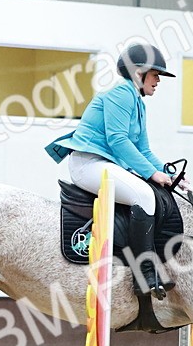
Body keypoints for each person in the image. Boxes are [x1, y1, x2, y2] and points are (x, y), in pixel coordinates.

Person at [46, 43, 185, 298]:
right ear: (139, 73)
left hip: (105, 164)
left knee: (150, 190)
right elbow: (118, 140)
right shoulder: (122, 93)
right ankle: (144, 274)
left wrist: (166, 172)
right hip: (89, 164)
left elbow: (143, 149)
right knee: (144, 195)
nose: (158, 81)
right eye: (155, 75)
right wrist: (152, 175)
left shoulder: (138, 103)